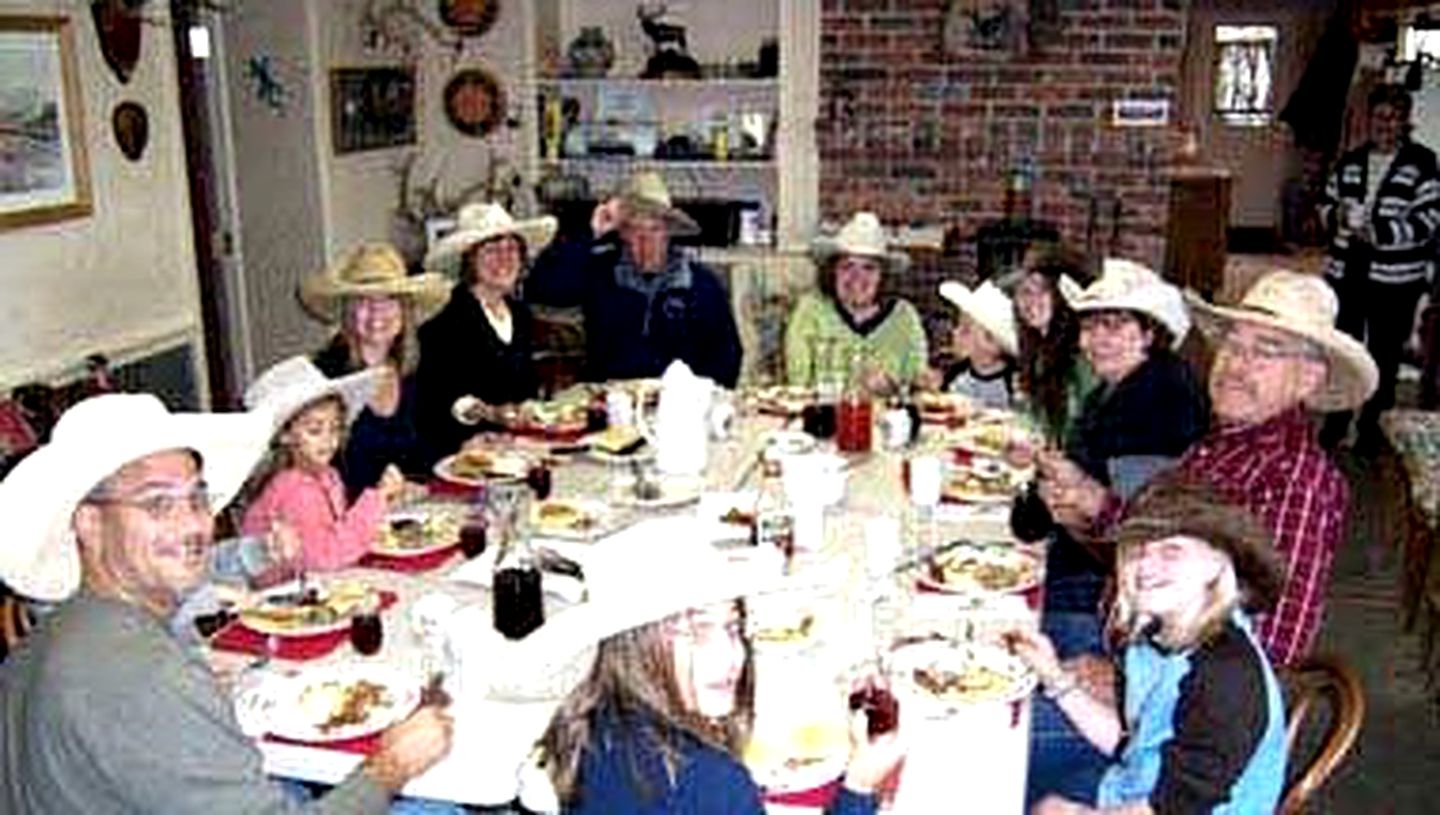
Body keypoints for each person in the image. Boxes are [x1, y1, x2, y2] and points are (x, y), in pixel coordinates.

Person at [0, 394, 452, 813]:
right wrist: (391, 766)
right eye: (157, 503)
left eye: (197, 497)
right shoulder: (146, 675)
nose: (194, 523)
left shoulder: (68, 630)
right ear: (89, 524)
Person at [1042, 269, 1377, 667]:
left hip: (1165, 694)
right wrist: (1093, 502)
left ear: (1307, 379)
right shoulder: (1222, 442)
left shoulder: (1295, 479)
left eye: (1265, 351)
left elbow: (1272, 643)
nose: (1236, 364)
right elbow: (1162, 540)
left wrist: (1126, 685)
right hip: (1125, 633)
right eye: (1232, 345)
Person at [536, 544, 903, 814]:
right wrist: (859, 787)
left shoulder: (591, 717)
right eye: (697, 632)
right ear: (637, 645)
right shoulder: (711, 780)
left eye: (733, 627)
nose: (733, 654)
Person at [1011, 475, 1287, 813]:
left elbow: (1178, 806)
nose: (1145, 565)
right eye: (1138, 548)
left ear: (1218, 562)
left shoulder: (1226, 674)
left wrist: (1079, 813)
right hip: (1134, 789)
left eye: (1172, 551)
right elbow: (1132, 746)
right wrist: (1055, 678)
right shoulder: (1155, 637)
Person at [1036, 259, 1209, 658]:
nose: (1097, 339)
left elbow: (1139, 530)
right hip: (1095, 570)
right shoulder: (1117, 388)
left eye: (1113, 325)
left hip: (1115, 597)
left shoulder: (1157, 399)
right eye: (1090, 326)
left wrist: (1074, 510)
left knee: (1000, 619)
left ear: (1149, 333)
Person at [528, 172, 742, 387]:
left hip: (676, 402)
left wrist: (697, 398)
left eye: (654, 229)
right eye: (634, 229)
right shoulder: (599, 273)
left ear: (668, 233)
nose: (645, 241)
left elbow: (727, 357)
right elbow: (542, 288)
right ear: (621, 234)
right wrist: (589, 233)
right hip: (609, 400)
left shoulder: (702, 285)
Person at [1319, 83, 1440, 453]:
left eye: (1392, 118)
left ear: (1405, 122)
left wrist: (1381, 234)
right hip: (1347, 270)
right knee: (1344, 350)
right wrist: (1334, 214)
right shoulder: (1351, 161)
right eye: (1378, 117)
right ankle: (1335, 422)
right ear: (1368, 120)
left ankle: (1373, 428)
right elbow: (1325, 202)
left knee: (1384, 354)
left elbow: (1430, 220)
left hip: (1395, 277)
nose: (1383, 124)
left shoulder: (1422, 165)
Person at [301, 242, 448, 498]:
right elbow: (315, 477)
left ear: (405, 311)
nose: (377, 313)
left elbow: (426, 450)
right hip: (346, 525)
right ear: (348, 312)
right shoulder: (323, 379)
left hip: (411, 520)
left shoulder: (414, 371)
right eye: (363, 301)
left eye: (390, 300)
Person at [416, 202, 558, 461]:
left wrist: (527, 406)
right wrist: (490, 413)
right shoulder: (445, 317)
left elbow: (525, 386)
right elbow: (438, 396)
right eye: (491, 250)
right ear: (469, 260)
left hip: (515, 447)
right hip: (464, 452)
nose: (504, 259)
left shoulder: (520, 314)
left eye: (512, 248)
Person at [241, 356, 410, 572]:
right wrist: (379, 496)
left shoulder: (329, 475)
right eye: (315, 431)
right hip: (282, 595)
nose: (329, 440)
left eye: (335, 428)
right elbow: (328, 556)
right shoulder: (292, 488)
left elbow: (339, 531)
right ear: (285, 435)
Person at [785, 212, 928, 393]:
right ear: (832, 272)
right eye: (847, 266)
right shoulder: (810, 310)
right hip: (822, 417)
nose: (857, 277)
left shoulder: (905, 317)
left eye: (869, 267)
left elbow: (918, 386)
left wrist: (892, 386)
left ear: (883, 277)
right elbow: (798, 386)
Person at [1010, 244, 1095, 444]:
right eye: (1024, 291)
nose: (1030, 301)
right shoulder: (1038, 348)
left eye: (1042, 291)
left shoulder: (1082, 356)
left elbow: (1081, 431)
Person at [937, 279, 1018, 409]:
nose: (955, 333)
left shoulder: (1013, 383)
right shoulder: (955, 375)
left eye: (966, 330)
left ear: (991, 343)